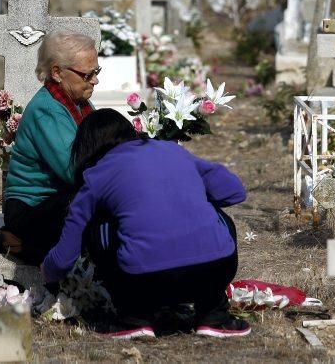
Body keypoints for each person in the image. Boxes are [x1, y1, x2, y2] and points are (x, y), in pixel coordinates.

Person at [41, 109, 250, 339]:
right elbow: (234, 191)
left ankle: (134, 318)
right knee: (219, 217)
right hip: (215, 270)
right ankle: (214, 315)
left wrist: (46, 273)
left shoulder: (96, 174)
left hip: (145, 282)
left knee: (100, 226)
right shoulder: (172, 150)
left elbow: (63, 258)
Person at [2, 31, 101, 265]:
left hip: (57, 200)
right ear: (57, 72)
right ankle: (19, 242)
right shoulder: (46, 110)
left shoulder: (78, 103)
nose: (95, 81)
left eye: (97, 72)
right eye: (88, 75)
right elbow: (74, 170)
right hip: (32, 209)